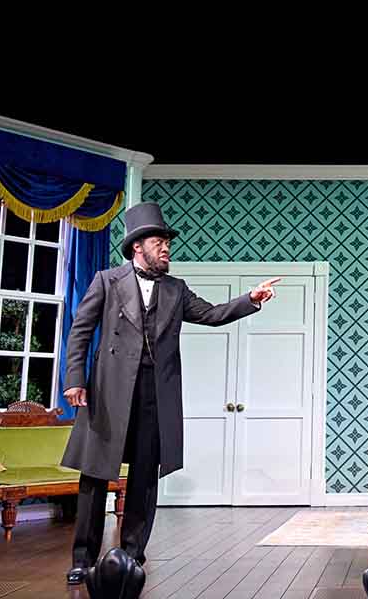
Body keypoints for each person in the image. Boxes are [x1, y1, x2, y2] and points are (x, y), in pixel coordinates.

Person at [60, 202, 279, 585]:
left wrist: (251, 299)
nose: (166, 248)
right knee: (95, 476)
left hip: (154, 394)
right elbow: (80, 332)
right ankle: (83, 558)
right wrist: (74, 379)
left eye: (166, 243)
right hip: (108, 392)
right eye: (158, 242)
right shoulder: (107, 281)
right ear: (136, 247)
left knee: (145, 477)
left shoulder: (176, 290)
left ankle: (132, 555)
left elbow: (212, 315)